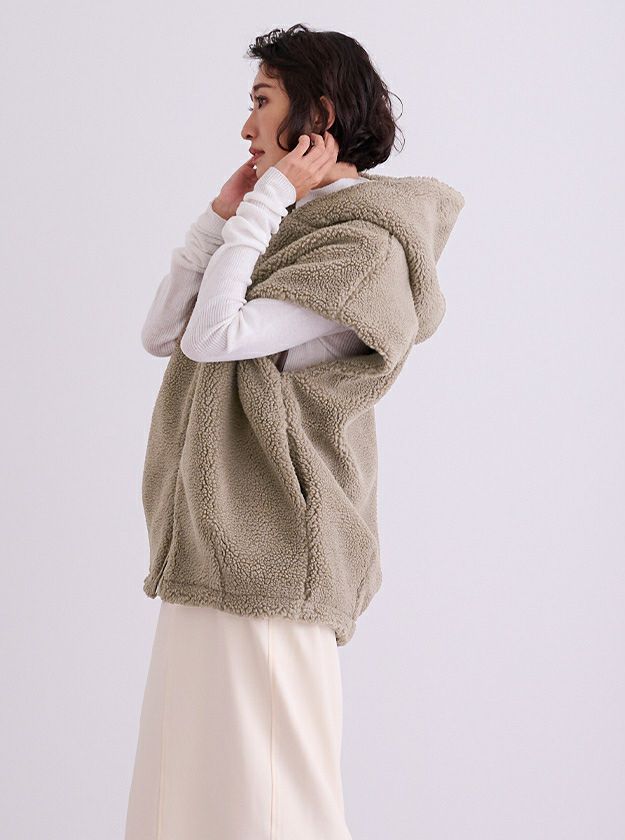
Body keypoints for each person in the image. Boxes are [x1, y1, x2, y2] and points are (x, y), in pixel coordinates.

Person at [125, 23, 463, 840]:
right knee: (185, 796)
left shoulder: (362, 248)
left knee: (275, 804)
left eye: (262, 101)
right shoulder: (279, 225)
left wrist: (265, 203)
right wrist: (222, 215)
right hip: (213, 546)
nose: (246, 126)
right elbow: (162, 331)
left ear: (319, 115)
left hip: (276, 553)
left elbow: (216, 335)